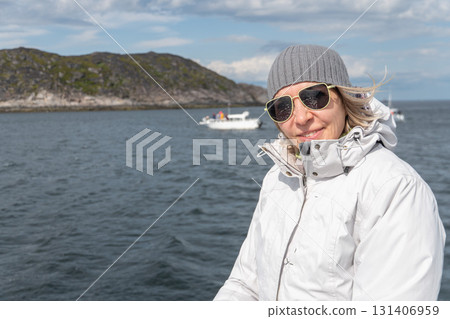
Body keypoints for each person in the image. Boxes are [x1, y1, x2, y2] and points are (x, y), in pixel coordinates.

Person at [214, 44, 445, 301]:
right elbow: (244, 285)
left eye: (314, 97)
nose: (300, 118)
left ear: (344, 98)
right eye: (282, 107)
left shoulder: (395, 188)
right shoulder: (277, 178)